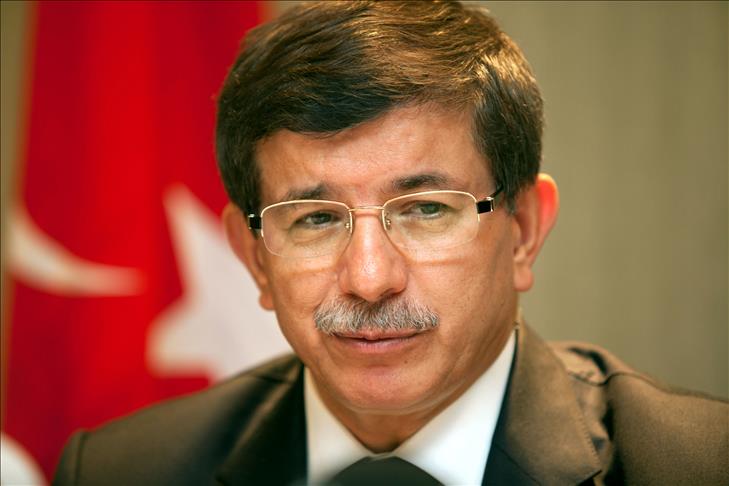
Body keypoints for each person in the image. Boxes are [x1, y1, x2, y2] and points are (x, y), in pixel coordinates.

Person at [53, 2, 727, 485]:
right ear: (254, 256)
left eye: (426, 209)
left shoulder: (699, 466)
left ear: (523, 230)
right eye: (314, 219)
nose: (370, 280)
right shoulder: (120, 471)